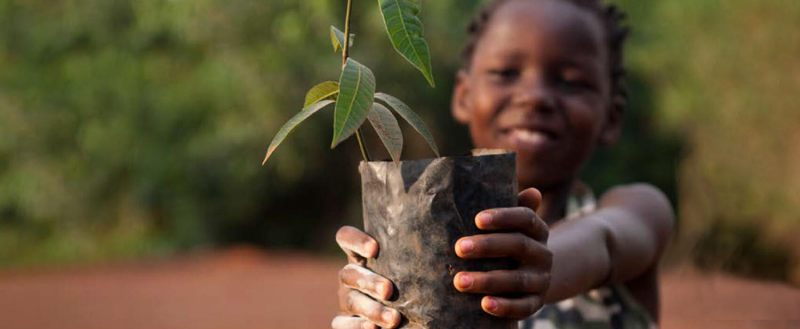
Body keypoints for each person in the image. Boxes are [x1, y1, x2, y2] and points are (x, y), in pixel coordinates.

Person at [331, 0, 675, 328]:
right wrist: (378, 299)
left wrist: (537, 263)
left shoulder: (640, 211)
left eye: (571, 81)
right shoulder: (418, 239)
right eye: (506, 73)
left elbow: (604, 239)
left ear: (612, 117)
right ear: (464, 95)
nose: (535, 96)